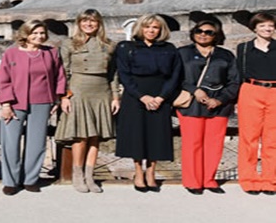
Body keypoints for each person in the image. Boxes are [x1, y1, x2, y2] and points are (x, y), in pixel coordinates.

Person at [115, 14, 181, 192]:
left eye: (155, 27)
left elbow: (175, 75)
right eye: (147, 27)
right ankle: (138, 172)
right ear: (140, 28)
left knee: (156, 134)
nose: (151, 31)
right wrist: (141, 96)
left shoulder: (169, 48)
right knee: (137, 134)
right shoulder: (126, 47)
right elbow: (123, 74)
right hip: (135, 94)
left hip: (160, 94)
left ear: (161, 30)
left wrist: (161, 97)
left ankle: (151, 172)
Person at [0, 20, 66, 196]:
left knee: (37, 142)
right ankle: (10, 181)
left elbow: (60, 76)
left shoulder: (51, 53)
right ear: (25, 34)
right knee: (10, 142)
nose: (39, 36)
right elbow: (4, 80)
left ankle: (30, 179)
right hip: (14, 102)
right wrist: (5, 104)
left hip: (42, 101)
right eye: (34, 33)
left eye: (42, 33)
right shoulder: (11, 54)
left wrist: (57, 99)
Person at [55, 9, 118, 193]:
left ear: (99, 24)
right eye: (85, 21)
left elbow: (114, 74)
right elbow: (63, 73)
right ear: (79, 23)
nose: (89, 24)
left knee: (95, 137)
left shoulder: (109, 45)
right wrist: (64, 96)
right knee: (81, 135)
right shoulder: (69, 44)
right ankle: (77, 174)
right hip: (79, 90)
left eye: (93, 21)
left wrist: (115, 97)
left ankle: (90, 176)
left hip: (101, 92)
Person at [177, 20, 239, 195]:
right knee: (192, 143)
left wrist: (220, 100)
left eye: (209, 32)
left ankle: (209, 180)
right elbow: (174, 78)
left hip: (218, 106)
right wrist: (194, 90)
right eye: (199, 30)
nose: (203, 34)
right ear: (193, 32)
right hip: (191, 105)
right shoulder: (182, 53)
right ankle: (192, 181)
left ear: (216, 35)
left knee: (214, 144)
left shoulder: (225, 55)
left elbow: (234, 81)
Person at [236, 12, 276, 195]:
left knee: (272, 140)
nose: (267, 29)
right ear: (255, 28)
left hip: (275, 92)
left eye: (270, 25)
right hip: (251, 90)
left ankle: (270, 180)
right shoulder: (243, 49)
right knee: (249, 138)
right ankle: (249, 179)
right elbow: (238, 74)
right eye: (263, 25)